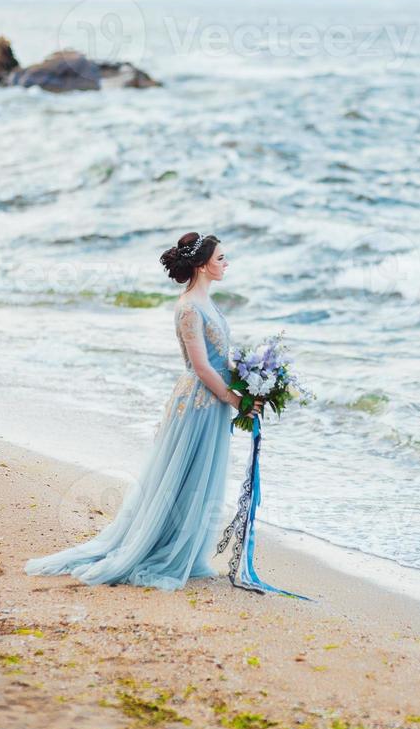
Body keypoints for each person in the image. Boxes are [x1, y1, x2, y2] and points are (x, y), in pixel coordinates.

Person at [25, 231, 262, 590]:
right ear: (201, 265)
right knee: (182, 475)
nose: (226, 264)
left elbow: (222, 361)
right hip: (198, 401)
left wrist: (251, 384)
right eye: (220, 259)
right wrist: (235, 399)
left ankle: (184, 549)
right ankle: (160, 550)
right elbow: (200, 367)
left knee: (201, 477)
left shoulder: (209, 302)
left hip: (214, 400)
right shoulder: (188, 308)